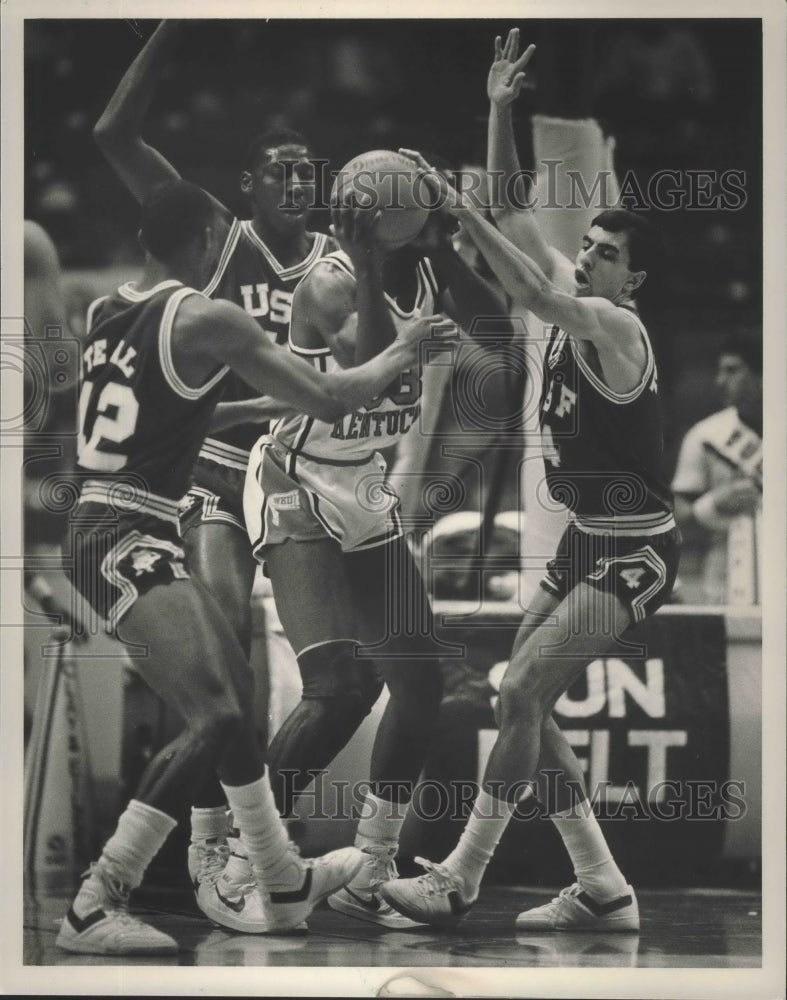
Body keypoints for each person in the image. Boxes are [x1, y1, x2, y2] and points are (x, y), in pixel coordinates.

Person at [54, 179, 433, 954]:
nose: (229, 248)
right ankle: (98, 899)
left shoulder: (105, 313)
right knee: (221, 715)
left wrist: (240, 410)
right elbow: (333, 398)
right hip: (124, 531)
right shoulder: (208, 316)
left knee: (236, 700)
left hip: (117, 520)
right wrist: (404, 348)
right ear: (202, 241)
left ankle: (276, 871)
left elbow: (152, 411)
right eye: (221, 234)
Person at [379, 131, 678, 931]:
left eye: (607, 252)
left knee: (517, 690)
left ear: (633, 278)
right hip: (584, 537)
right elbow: (514, 206)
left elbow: (535, 287)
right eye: (585, 244)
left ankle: (459, 877)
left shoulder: (614, 327)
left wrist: (454, 210)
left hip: (635, 548)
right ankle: (602, 886)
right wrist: (498, 110)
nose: (586, 256)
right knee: (530, 705)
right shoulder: (563, 291)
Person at [92, 18, 338, 912]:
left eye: (312, 169)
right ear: (247, 185)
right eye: (284, 168)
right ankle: (207, 847)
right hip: (212, 462)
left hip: (304, 471)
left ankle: (258, 845)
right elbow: (114, 135)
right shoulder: (214, 237)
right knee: (224, 645)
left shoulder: (341, 263)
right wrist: (171, 26)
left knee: (345, 674)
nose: (300, 181)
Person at [243, 162, 509, 929]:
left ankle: (370, 868)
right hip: (296, 478)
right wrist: (366, 261)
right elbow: (376, 374)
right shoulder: (327, 281)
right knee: (339, 689)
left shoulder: (426, 269)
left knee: (422, 685)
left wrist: (447, 237)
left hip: (361, 483)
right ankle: (239, 856)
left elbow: (498, 333)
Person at [671, 333, 762, 605]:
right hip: (725, 574)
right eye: (720, 371)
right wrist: (712, 503)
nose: (721, 381)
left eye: (733, 370)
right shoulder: (706, 435)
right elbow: (672, 514)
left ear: (763, 374)